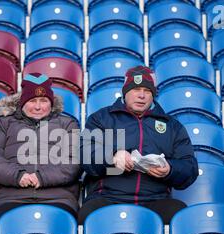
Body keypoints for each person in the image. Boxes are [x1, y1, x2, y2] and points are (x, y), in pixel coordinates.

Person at [79, 65, 198, 224]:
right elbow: (85, 154)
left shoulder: (172, 126)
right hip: (108, 197)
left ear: (153, 95)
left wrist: (170, 169)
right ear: (125, 92)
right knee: (87, 214)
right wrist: (113, 157)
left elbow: (189, 167)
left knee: (179, 215)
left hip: (155, 199)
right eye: (136, 90)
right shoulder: (101, 118)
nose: (141, 95)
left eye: (147, 91)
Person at [0, 73, 81, 224]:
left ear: (51, 103)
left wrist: (42, 177)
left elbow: (74, 161)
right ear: (22, 102)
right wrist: (17, 176)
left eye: (44, 100)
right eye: (33, 101)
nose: (38, 106)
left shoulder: (67, 124)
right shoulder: (3, 124)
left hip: (58, 198)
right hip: (10, 198)